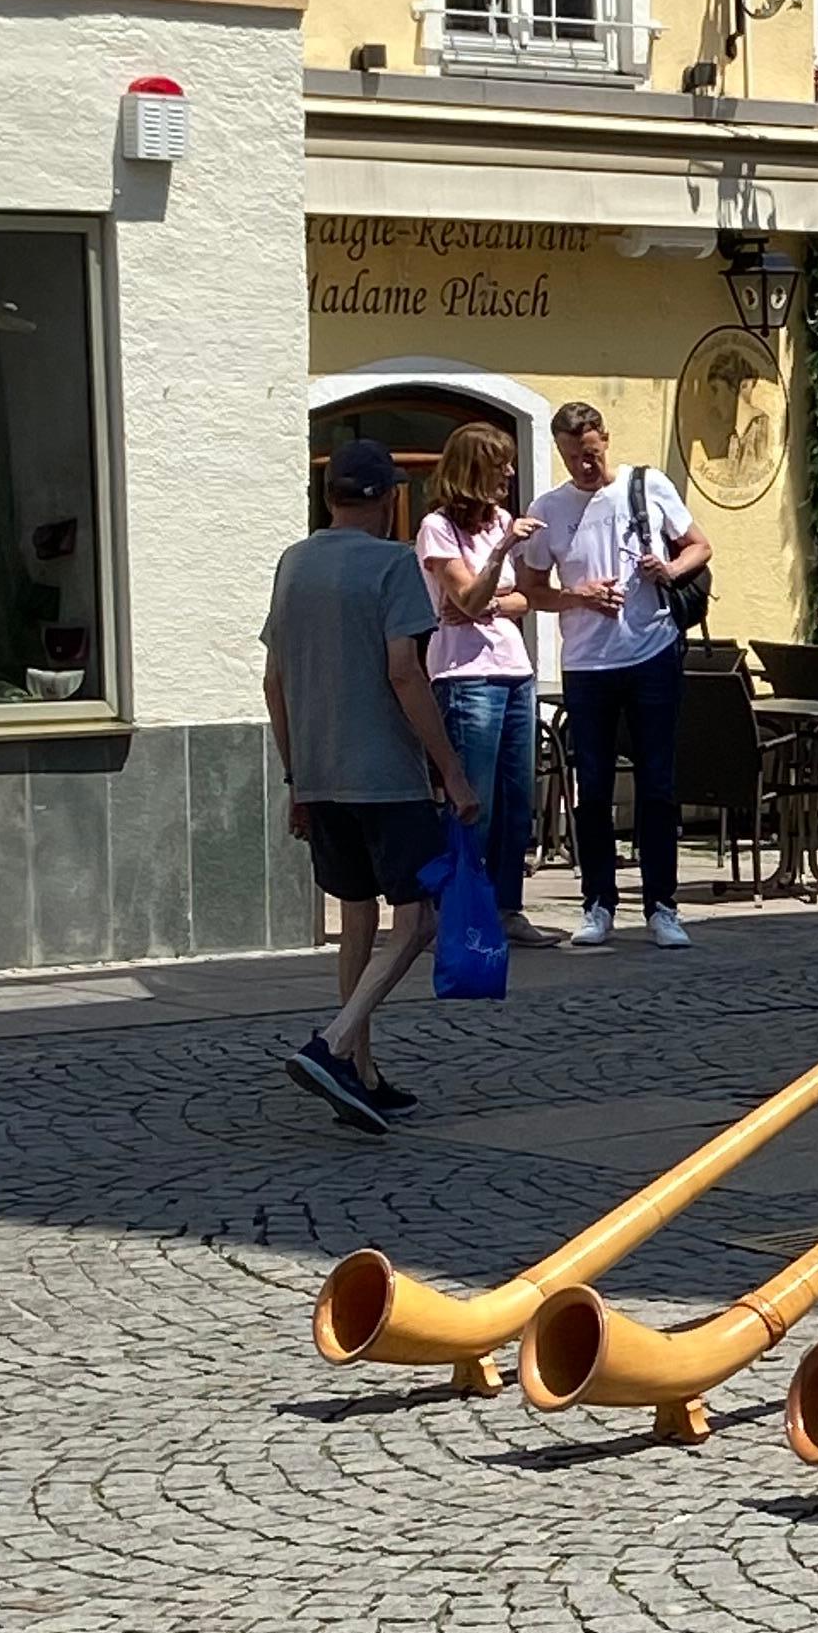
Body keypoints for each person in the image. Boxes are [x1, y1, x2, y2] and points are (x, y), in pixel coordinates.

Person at [261, 438, 481, 1131]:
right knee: (417, 919)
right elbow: (406, 673)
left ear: (329, 499)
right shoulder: (393, 566)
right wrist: (450, 770)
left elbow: (274, 682)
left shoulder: (294, 563)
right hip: (385, 773)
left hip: (320, 771)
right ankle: (332, 1044)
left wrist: (297, 774)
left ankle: (360, 1071)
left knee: (356, 913)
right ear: (388, 501)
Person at [513, 399, 709, 951]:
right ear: (561, 452)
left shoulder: (645, 486)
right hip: (587, 664)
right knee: (593, 787)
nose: (585, 467)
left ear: (606, 440)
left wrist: (667, 570)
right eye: (574, 457)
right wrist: (579, 594)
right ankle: (598, 903)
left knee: (657, 783)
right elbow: (531, 589)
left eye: (592, 454)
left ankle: (662, 907)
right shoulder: (548, 508)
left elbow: (701, 545)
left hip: (651, 652)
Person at [415, 421, 550, 947]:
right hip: (465, 676)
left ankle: (508, 907)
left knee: (517, 800)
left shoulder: (503, 520)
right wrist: (495, 563)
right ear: (475, 470)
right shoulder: (437, 529)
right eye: (500, 465)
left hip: (514, 671)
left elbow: (521, 601)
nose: (510, 475)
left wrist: (488, 598)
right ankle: (457, 910)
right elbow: (465, 599)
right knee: (475, 801)